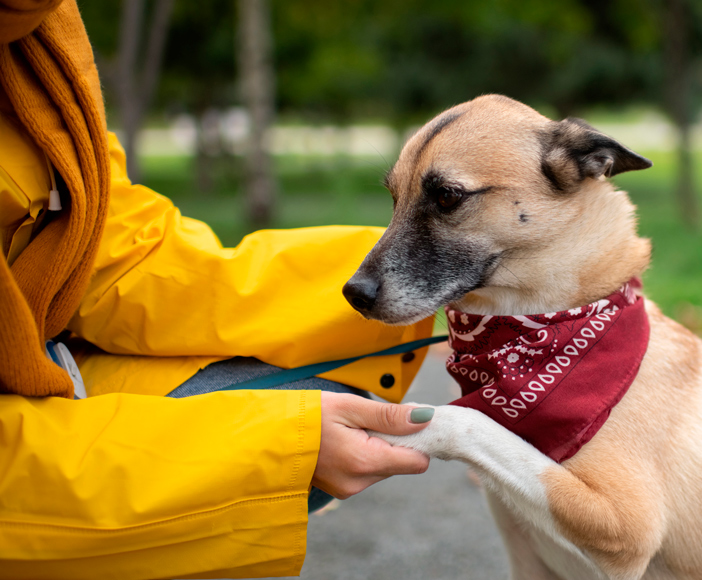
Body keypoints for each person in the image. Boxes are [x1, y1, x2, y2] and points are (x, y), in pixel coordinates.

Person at [0, 1, 436, 577]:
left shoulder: (37, 23)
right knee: (298, 437)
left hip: (47, 371)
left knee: (330, 388)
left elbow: (111, 246)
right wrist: (273, 451)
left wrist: (398, 275)